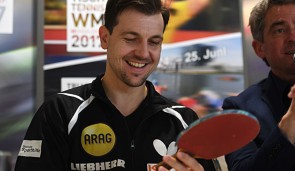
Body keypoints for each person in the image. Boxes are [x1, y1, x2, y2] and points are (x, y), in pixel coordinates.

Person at [14, 0, 217, 170]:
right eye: (131, 39)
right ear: (105, 37)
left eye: (154, 42)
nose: (144, 53)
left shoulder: (184, 122)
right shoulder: (59, 113)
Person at [222, 0, 295, 170]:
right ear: (259, 48)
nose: (294, 37)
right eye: (280, 30)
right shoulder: (239, 109)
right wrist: (292, 119)